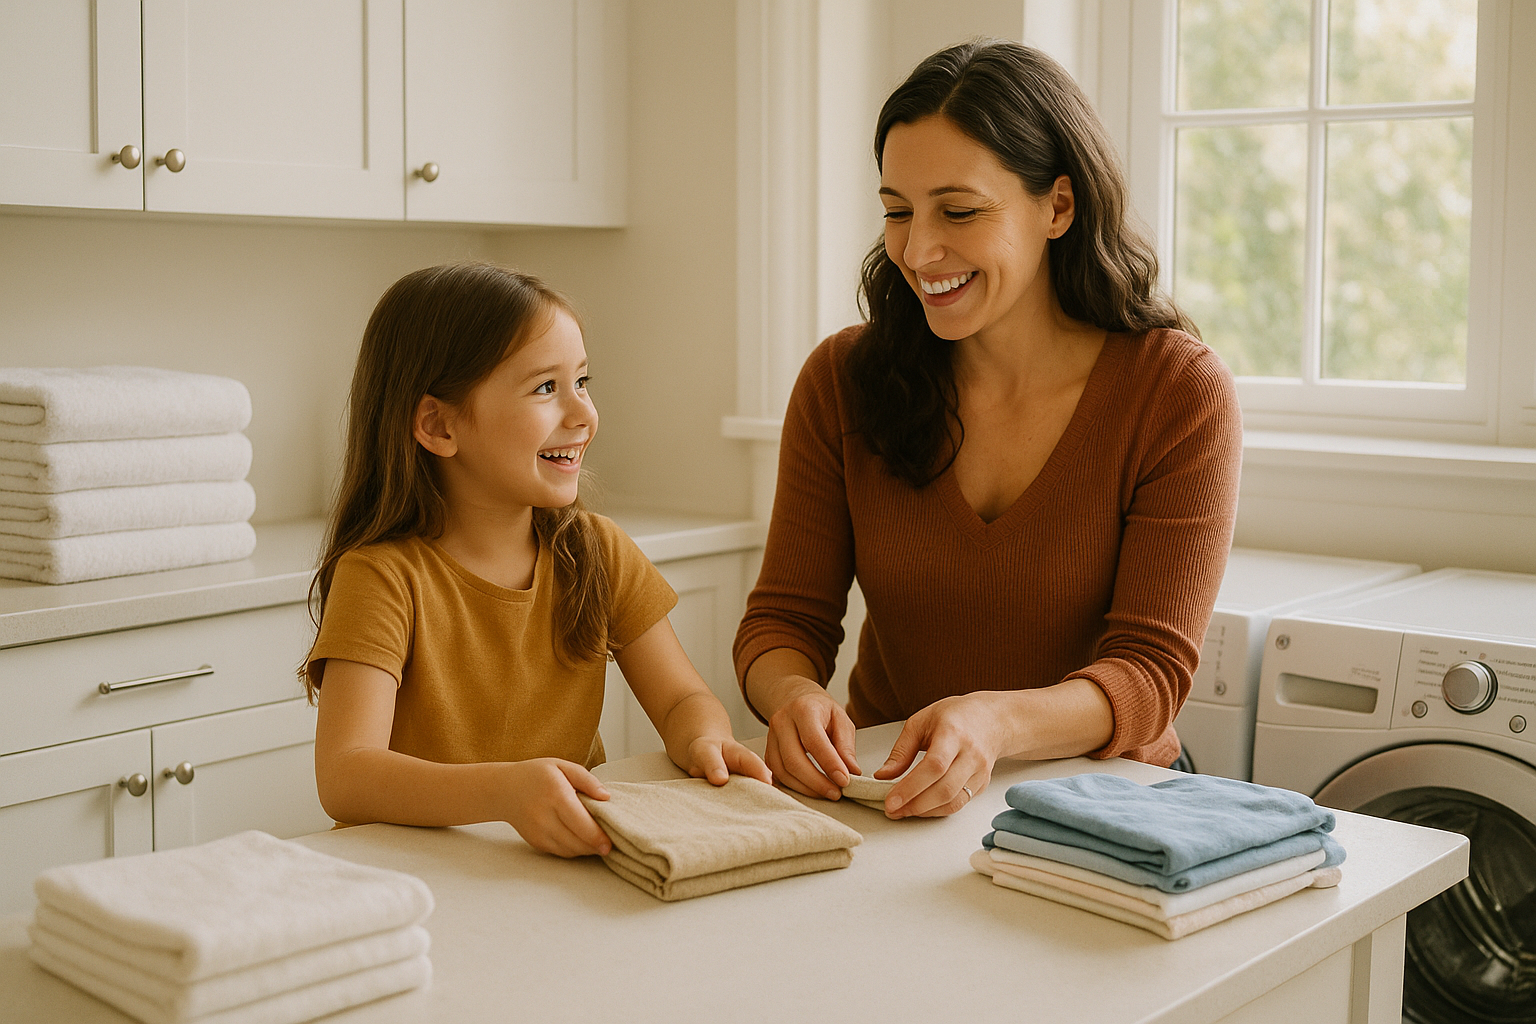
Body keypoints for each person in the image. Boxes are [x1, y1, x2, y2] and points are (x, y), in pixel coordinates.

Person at [733, 40, 1242, 819]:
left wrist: (996, 722)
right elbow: (783, 621)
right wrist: (792, 694)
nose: (918, 249)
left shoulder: (1177, 392)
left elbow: (1149, 673)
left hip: (1102, 813)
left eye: (959, 211)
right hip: (891, 800)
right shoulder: (843, 381)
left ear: (1058, 207)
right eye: (897, 211)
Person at [305, 263, 769, 858]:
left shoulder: (598, 553)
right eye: (545, 388)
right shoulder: (383, 577)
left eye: (582, 381)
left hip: (548, 863)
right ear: (438, 425)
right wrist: (504, 791)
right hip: (421, 871)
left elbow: (682, 700)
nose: (582, 414)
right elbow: (345, 776)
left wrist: (705, 737)